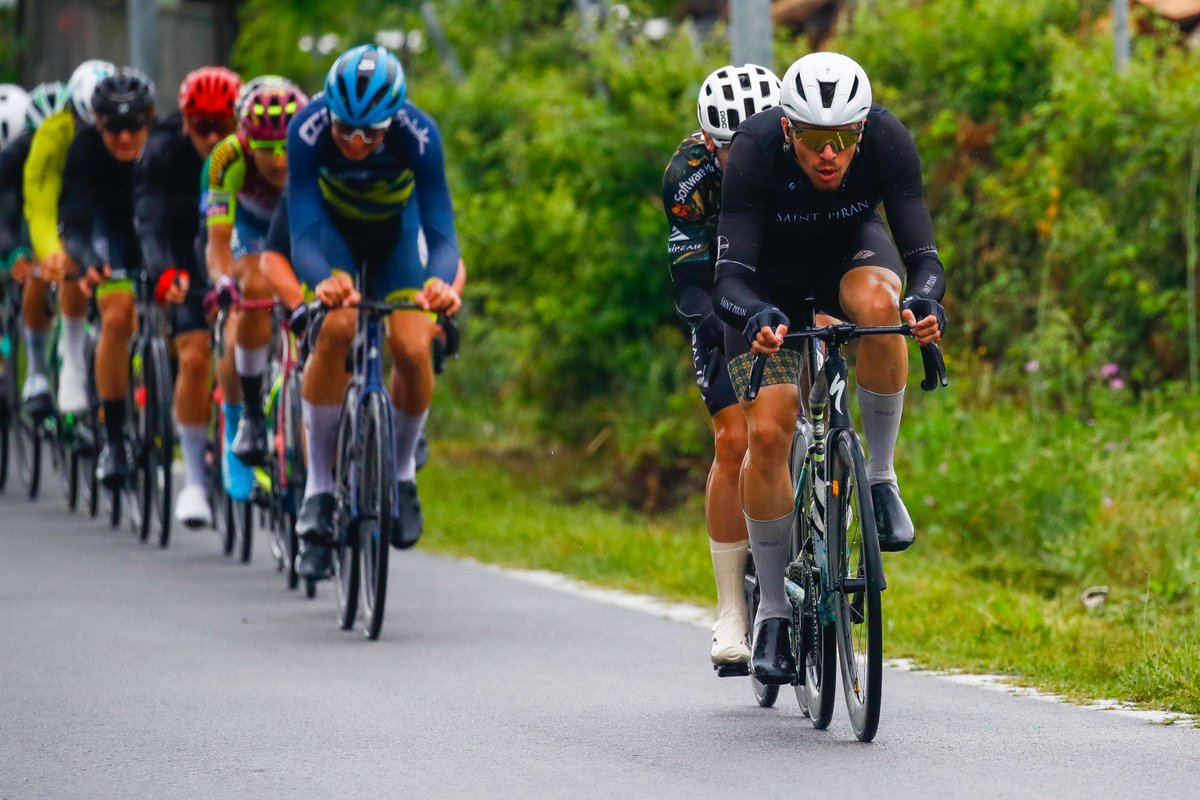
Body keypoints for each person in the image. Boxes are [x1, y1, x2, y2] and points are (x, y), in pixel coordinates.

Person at [712, 52, 946, 683]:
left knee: (884, 306)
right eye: (816, 139)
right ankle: (776, 615)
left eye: (845, 139)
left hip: (848, 256)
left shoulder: (888, 140)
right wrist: (756, 312)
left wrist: (926, 301)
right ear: (789, 130)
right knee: (769, 429)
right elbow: (727, 276)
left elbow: (924, 254)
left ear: (862, 131)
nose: (830, 155)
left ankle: (880, 477)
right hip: (769, 291)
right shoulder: (756, 149)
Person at [286, 44, 461, 578]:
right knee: (336, 327)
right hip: (332, 238)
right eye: (346, 131)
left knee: (412, 344)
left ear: (393, 121)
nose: (357, 143)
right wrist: (323, 279)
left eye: (371, 133)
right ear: (330, 116)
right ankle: (318, 488)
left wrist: (439, 284)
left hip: (397, 238)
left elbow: (441, 230)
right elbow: (302, 228)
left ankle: (402, 468)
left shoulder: (420, 134)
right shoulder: (307, 130)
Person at [662, 64, 780, 668]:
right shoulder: (689, 176)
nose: (743, 155)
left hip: (780, 293)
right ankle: (732, 608)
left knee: (785, 427)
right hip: (717, 300)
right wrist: (718, 324)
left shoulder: (796, 150)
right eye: (730, 147)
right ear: (709, 140)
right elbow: (688, 282)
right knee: (734, 440)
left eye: (753, 141)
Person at [135, 66, 241, 525]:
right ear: (184, 122)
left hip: (239, 258)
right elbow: (150, 221)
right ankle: (195, 479)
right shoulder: (161, 154)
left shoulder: (251, 153)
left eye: (223, 125)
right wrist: (163, 273)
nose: (212, 135)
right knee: (195, 357)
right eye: (202, 125)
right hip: (183, 259)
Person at [205, 80, 307, 495]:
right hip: (248, 232)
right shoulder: (226, 156)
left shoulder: (314, 148)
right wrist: (225, 281)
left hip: (299, 230)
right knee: (256, 289)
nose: (280, 159)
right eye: (268, 148)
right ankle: (246, 412)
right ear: (247, 140)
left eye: (287, 146)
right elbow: (216, 243)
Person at [60, 67, 157, 487]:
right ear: (97, 122)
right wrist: (85, 261)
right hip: (106, 233)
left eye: (133, 126)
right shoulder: (83, 151)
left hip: (151, 230)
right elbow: (76, 222)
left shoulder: (165, 147)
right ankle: (115, 441)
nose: (123, 138)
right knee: (117, 315)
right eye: (112, 127)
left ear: (150, 119)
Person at [24, 60, 115, 418]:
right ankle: (40, 370)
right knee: (49, 268)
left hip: (98, 208)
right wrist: (49, 252)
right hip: (57, 208)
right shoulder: (54, 134)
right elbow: (40, 199)